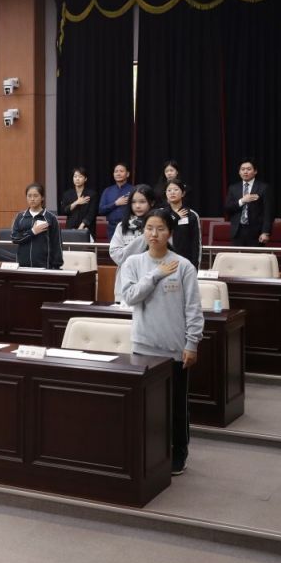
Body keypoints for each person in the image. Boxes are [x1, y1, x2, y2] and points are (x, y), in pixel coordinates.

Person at [119, 208, 203, 476]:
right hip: (143, 346)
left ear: (170, 233)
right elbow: (130, 296)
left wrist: (192, 343)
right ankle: (152, 452)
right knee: (147, 406)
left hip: (174, 348)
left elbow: (193, 309)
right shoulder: (133, 263)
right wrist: (155, 274)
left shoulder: (183, 265)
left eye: (160, 229)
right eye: (149, 228)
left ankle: (179, 453)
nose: (154, 234)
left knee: (176, 406)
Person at [109, 184, 155, 301]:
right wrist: (144, 238)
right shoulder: (122, 226)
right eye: (133, 202)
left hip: (152, 285)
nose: (137, 206)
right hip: (125, 284)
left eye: (142, 202)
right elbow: (117, 255)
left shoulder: (159, 228)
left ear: (152, 203)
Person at [11, 183, 63, 269]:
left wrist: (56, 266)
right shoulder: (20, 217)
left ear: (42, 197)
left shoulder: (51, 218)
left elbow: (57, 244)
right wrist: (33, 231)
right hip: (22, 265)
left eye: (35, 196)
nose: (32, 199)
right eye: (29, 196)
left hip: (44, 266)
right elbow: (14, 238)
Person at [224, 160, 274, 247]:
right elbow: (227, 208)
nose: (245, 172)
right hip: (237, 231)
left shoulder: (263, 188)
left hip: (256, 233)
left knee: (254, 255)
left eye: (248, 169)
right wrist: (242, 201)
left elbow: (268, 212)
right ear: (239, 172)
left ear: (255, 171)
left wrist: (265, 232)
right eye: (242, 169)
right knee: (237, 255)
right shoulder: (233, 188)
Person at [164, 179, 201, 269]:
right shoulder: (161, 213)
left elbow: (196, 243)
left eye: (176, 189)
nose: (172, 192)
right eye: (169, 190)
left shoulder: (192, 215)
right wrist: (175, 216)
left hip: (185, 262)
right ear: (166, 193)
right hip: (164, 261)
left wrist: (195, 267)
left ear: (183, 193)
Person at [59, 167, 97, 237]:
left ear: (85, 179)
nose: (77, 179)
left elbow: (91, 213)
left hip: (87, 228)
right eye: (75, 176)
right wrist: (76, 202)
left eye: (80, 176)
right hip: (70, 228)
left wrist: (82, 226)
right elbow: (64, 211)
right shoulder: (67, 194)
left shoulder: (91, 194)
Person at [98, 162, 135, 230]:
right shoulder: (107, 190)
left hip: (128, 227)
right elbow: (101, 210)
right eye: (116, 171)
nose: (118, 174)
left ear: (127, 174)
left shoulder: (133, 190)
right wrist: (116, 203)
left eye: (121, 171)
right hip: (110, 228)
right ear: (113, 174)